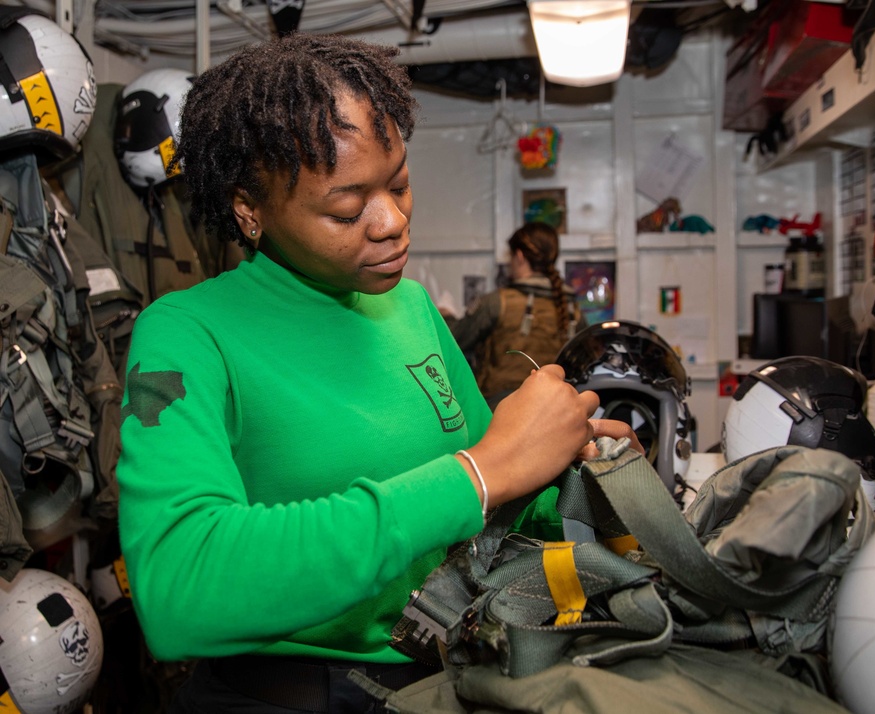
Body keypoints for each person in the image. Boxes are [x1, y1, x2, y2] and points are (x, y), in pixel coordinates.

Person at [115, 33, 637, 714]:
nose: (392, 222)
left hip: (449, 675)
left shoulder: (412, 308)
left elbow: (498, 502)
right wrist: (475, 476)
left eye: (399, 183)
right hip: (292, 697)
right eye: (345, 207)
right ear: (250, 208)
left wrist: (580, 474)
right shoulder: (186, 335)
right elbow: (182, 585)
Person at [446, 221, 586, 408]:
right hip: (554, 411)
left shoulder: (498, 302)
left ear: (519, 256)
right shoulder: (573, 311)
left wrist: (444, 315)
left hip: (501, 411)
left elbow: (454, 340)